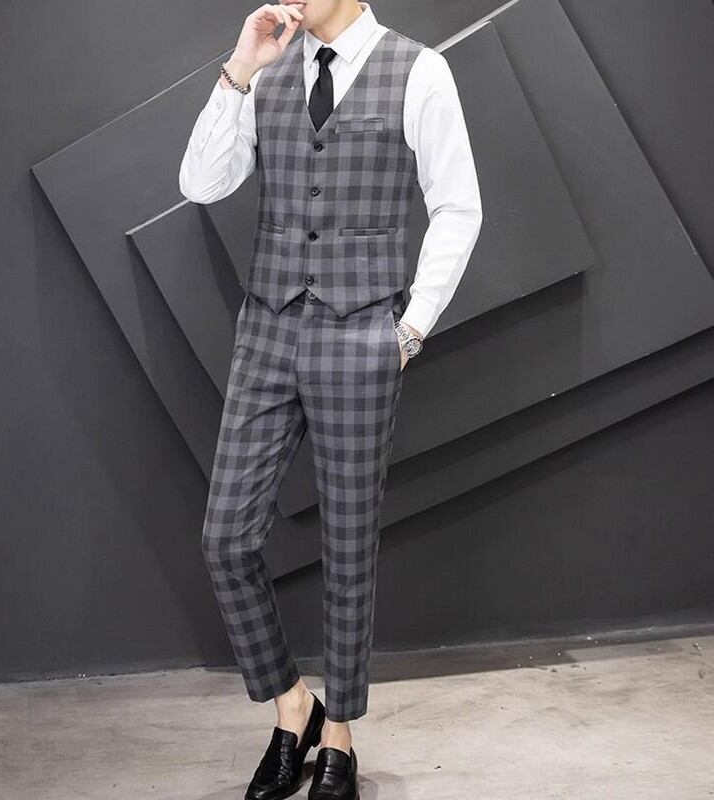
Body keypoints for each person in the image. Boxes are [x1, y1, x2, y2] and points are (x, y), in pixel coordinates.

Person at [179, 1, 482, 797]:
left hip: (362, 336)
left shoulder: (419, 70)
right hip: (267, 329)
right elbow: (201, 184)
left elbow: (458, 206)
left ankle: (339, 734)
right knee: (225, 538)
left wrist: (408, 329)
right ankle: (294, 708)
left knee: (349, 547)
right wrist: (239, 69)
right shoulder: (269, 68)